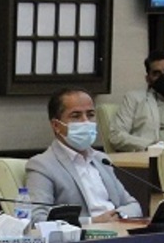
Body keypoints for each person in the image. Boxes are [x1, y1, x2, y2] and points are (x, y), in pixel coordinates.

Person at [26, 88, 143, 224]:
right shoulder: (42, 165)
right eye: (76, 116)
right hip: (83, 234)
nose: (85, 121)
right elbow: (37, 219)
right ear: (56, 125)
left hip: (117, 229)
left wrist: (118, 215)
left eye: (90, 115)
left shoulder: (101, 160)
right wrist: (92, 221)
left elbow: (133, 205)